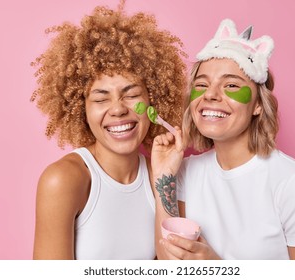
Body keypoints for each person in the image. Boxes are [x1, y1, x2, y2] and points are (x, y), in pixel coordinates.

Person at [151, 19, 295, 259]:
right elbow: (171, 264)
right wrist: (163, 178)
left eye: (230, 85)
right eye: (201, 84)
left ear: (258, 105)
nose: (210, 94)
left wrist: (216, 267)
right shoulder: (186, 171)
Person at [31, 1, 187, 259]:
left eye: (132, 94)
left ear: (154, 100)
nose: (117, 110)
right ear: (81, 109)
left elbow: (175, 268)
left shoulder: (162, 176)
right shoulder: (64, 180)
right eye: (101, 98)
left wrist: (165, 179)